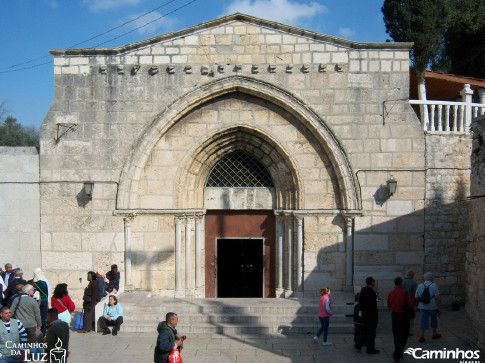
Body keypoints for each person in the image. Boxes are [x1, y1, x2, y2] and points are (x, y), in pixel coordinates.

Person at [388, 276, 415, 362]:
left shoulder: (391, 293)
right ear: (401, 283)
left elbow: (389, 304)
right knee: (404, 336)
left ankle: (399, 353)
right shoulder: (405, 293)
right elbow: (411, 304)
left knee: (396, 335)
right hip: (403, 316)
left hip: (394, 315)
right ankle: (397, 353)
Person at [355, 276, 380, 354]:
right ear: (372, 283)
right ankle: (370, 349)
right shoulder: (372, 292)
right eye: (374, 282)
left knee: (364, 331)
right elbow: (373, 305)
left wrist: (363, 309)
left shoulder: (363, 290)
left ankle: (358, 345)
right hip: (371, 315)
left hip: (365, 314)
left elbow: (360, 301)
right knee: (371, 333)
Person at [415, 272, 441, 342]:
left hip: (423, 306)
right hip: (432, 306)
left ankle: (422, 336)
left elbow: (416, 296)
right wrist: (439, 308)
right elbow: (437, 298)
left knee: (423, 320)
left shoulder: (420, 285)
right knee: (434, 319)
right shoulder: (434, 285)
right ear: (431, 278)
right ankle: (434, 333)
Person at [31, 268, 49, 335]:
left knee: (36, 316)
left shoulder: (32, 283)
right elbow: (47, 292)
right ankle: (43, 332)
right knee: (43, 317)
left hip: (36, 301)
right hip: (44, 301)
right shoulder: (44, 283)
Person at [403, 270, 418, 335]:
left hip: (402, 302)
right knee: (410, 317)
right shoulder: (413, 283)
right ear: (411, 275)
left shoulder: (401, 281)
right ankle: (409, 331)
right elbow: (416, 294)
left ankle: (403, 329)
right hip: (410, 303)